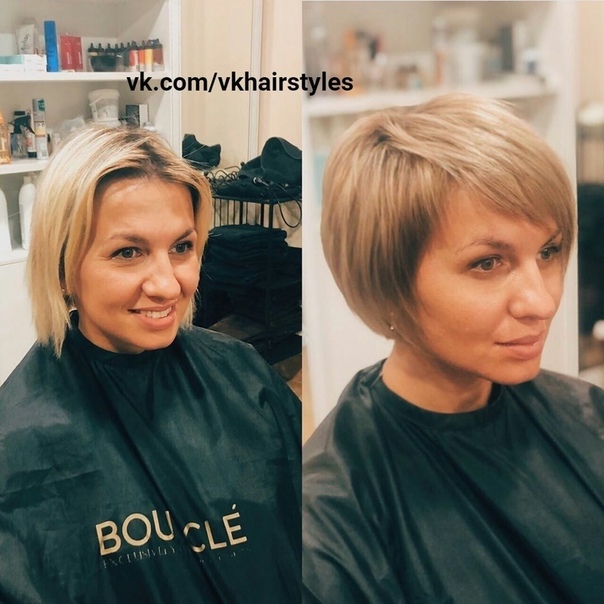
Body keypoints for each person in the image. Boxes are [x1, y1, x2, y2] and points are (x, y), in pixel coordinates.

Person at [303, 94, 604, 603]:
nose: (542, 301)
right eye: (488, 263)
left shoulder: (588, 414)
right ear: (387, 279)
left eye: (548, 251)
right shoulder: (330, 523)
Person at [0, 125, 301, 603]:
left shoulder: (244, 375)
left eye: (182, 247)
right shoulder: (16, 441)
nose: (168, 285)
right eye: (128, 252)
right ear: (62, 270)